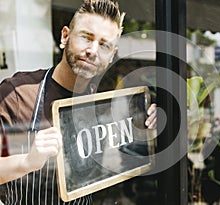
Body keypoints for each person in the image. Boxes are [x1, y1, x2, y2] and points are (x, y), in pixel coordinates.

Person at [0, 0, 157, 204]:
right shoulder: (17, 93)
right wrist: (27, 162)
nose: (92, 50)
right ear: (65, 36)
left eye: (104, 44)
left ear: (111, 56)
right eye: (86, 37)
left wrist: (149, 123)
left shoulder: (101, 103)